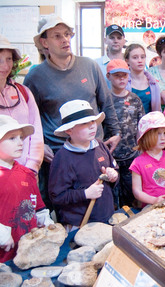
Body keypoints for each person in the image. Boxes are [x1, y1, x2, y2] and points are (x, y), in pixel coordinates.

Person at [23, 15, 121, 211]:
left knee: (102, 200)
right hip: (60, 154)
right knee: (69, 205)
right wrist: (40, 145)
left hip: (95, 150)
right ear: (44, 42)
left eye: (67, 34)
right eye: (57, 36)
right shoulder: (35, 76)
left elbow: (106, 101)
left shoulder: (90, 66)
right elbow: (29, 117)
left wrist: (116, 132)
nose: (65, 40)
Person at [48, 100, 118, 231]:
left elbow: (114, 168)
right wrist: (85, 194)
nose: (92, 126)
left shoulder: (100, 145)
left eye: (92, 121)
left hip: (105, 216)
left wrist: (113, 175)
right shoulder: (63, 158)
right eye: (85, 123)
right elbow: (57, 196)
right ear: (69, 129)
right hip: (80, 224)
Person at [0, 116, 53, 262]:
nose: (20, 143)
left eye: (21, 137)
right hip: (4, 257)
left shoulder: (27, 174)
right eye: (12, 138)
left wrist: (45, 220)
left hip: (31, 251)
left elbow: (38, 207)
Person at [0, 35, 44, 174]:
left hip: (26, 172)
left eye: (9, 59)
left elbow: (35, 130)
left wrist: (32, 166)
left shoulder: (23, 92)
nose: (6, 66)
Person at [106, 59, 145, 208]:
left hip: (131, 155)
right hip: (111, 157)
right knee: (112, 195)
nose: (122, 79)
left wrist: (141, 151)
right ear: (108, 76)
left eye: (124, 75)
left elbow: (141, 127)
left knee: (131, 195)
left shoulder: (135, 99)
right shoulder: (104, 99)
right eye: (117, 76)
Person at [130, 112, 165, 207]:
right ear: (147, 136)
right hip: (149, 208)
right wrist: (154, 200)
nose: (163, 137)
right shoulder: (138, 163)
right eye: (158, 134)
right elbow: (137, 191)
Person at [124, 43, 161, 114]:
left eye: (142, 57)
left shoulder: (153, 83)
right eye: (135, 57)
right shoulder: (123, 83)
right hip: (129, 123)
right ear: (127, 61)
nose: (140, 60)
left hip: (149, 123)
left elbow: (157, 111)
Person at [95, 24, 127, 89]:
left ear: (124, 41)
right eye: (112, 37)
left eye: (119, 38)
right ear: (105, 40)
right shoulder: (96, 65)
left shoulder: (131, 63)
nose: (116, 41)